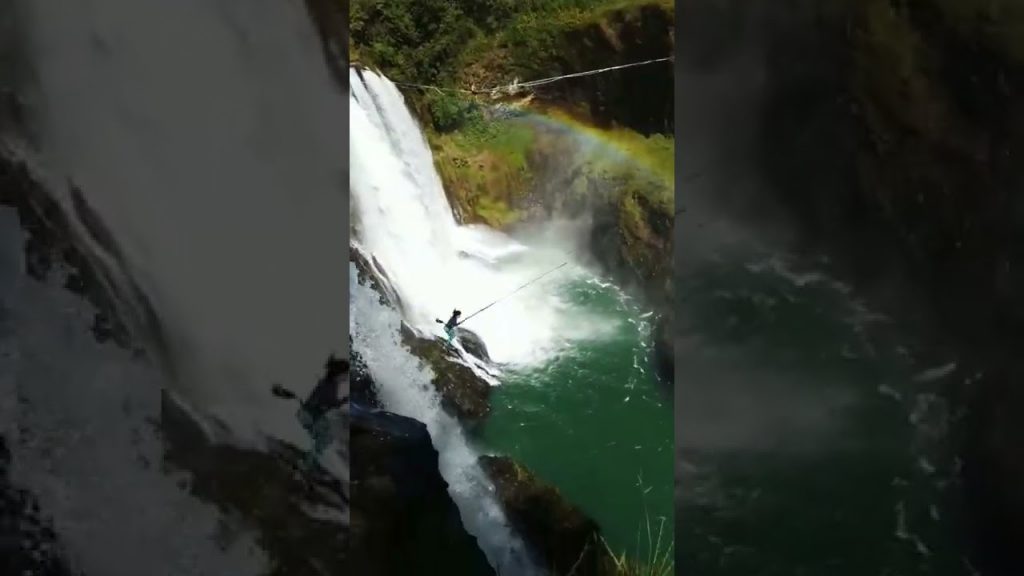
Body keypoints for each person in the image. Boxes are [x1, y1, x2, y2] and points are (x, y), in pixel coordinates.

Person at [297, 355, 349, 469]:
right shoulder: (328, 385)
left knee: (327, 436)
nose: (346, 377)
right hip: (309, 415)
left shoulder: (332, 384)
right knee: (325, 437)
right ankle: (307, 463)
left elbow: (330, 403)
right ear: (339, 373)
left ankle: (310, 460)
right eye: (345, 374)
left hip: (312, 414)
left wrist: (344, 401)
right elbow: (323, 402)